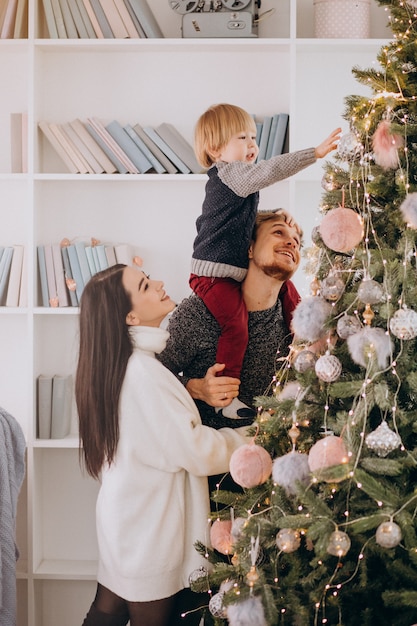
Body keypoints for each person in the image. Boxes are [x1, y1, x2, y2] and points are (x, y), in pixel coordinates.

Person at [76, 264, 250, 626]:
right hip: (149, 533)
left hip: (127, 521)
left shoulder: (124, 366)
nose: (157, 283)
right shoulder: (142, 374)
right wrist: (253, 438)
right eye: (144, 285)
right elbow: (196, 450)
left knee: (107, 612)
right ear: (130, 315)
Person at [190, 103, 341, 418]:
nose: (252, 146)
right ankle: (227, 392)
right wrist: (313, 153)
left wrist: (272, 217)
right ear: (216, 149)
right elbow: (270, 170)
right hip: (213, 277)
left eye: (253, 137)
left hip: (225, 271)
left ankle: (302, 354)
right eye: (242, 137)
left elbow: (229, 221)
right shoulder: (232, 173)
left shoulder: (229, 186)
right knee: (236, 325)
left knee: (290, 297)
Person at [159, 208, 302, 431]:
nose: (292, 243)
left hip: (281, 456)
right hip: (215, 458)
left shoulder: (297, 319)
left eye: (296, 241)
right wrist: (197, 388)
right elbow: (151, 377)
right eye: (278, 233)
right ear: (250, 248)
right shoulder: (199, 312)